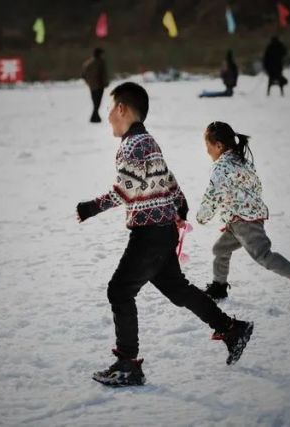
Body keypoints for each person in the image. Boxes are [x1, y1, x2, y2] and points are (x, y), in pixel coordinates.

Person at [76, 82, 254, 387]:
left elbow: (126, 190)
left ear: (121, 108)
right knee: (177, 289)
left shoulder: (134, 145)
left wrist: (90, 207)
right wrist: (179, 205)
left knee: (119, 291)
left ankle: (127, 364)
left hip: (149, 235)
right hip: (161, 231)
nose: (107, 117)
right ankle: (231, 328)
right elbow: (169, 179)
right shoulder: (147, 141)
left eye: (110, 109)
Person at [197, 121, 290, 304]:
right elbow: (257, 187)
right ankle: (219, 287)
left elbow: (213, 195)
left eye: (207, 146)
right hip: (241, 219)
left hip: (244, 222)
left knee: (263, 256)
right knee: (220, 249)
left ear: (218, 146)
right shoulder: (242, 162)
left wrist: (202, 217)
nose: (207, 151)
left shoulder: (221, 167)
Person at [81, 47, 109, 123]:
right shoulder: (101, 62)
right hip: (100, 85)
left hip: (92, 85)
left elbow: (83, 74)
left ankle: (95, 117)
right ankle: (94, 117)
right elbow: (104, 73)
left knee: (95, 101)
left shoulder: (88, 63)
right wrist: (105, 82)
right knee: (97, 101)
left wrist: (88, 81)